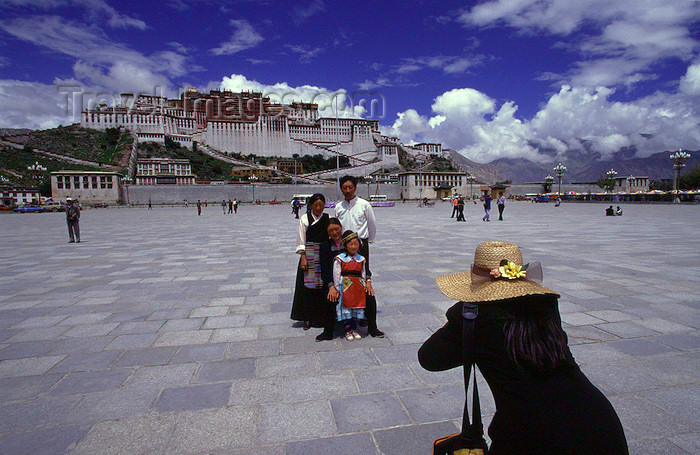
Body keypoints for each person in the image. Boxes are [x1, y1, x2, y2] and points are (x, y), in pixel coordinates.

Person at [418, 241, 628, 455]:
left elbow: (429, 357)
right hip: (600, 425)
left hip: (532, 436)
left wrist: (460, 313)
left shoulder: (474, 316)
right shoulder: (546, 308)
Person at [335, 175, 384, 337]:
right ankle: (346, 318)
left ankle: (371, 325)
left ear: (355, 188)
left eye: (350, 187)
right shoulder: (339, 207)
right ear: (341, 188)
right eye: (344, 187)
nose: (347, 190)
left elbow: (372, 225)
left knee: (365, 281)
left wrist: (364, 243)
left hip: (360, 246)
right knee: (344, 283)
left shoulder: (364, 205)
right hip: (343, 249)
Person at [291, 193, 330, 331]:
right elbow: (301, 239)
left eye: (321, 205)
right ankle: (307, 317)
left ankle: (322, 316)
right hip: (308, 254)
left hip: (323, 255)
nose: (319, 208)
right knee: (306, 287)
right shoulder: (304, 219)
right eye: (316, 205)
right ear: (311, 205)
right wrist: (303, 257)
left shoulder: (327, 218)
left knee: (322, 286)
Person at [333, 230, 367, 341]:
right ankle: (347, 330)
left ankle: (354, 329)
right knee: (346, 308)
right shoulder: (340, 259)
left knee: (356, 308)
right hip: (346, 286)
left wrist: (365, 285)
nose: (353, 246)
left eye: (356, 244)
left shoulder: (361, 259)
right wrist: (337, 287)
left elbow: (363, 273)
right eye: (351, 244)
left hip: (357, 287)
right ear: (345, 245)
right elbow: (336, 273)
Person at [316, 218, 345, 341]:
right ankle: (328, 332)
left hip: (350, 282)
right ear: (327, 233)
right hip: (333, 283)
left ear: (341, 228)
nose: (334, 233)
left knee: (370, 296)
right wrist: (331, 286)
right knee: (330, 298)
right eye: (331, 231)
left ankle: (372, 328)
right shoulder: (324, 246)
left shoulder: (350, 243)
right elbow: (325, 269)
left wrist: (368, 281)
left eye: (336, 229)